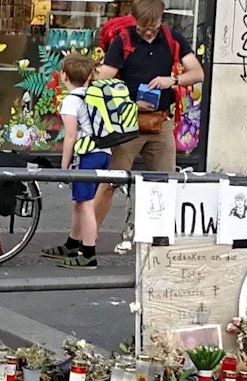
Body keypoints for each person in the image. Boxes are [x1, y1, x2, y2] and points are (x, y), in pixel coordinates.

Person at [90, 0, 204, 248]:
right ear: (134, 21)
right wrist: (82, 77)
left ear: (161, 18)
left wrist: (171, 80)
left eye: (152, 25)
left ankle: (159, 241)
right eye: (142, 27)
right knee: (110, 182)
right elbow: (106, 74)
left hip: (160, 123)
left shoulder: (173, 38)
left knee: (165, 183)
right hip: (128, 122)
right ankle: (88, 241)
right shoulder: (124, 40)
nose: (148, 31)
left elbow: (197, 72)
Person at [43, 54, 109, 270]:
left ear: (64, 75)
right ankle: (73, 243)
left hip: (87, 154)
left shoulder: (71, 100)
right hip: (104, 152)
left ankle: (88, 252)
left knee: (86, 203)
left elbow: (70, 135)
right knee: (79, 202)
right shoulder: (94, 94)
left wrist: (65, 164)